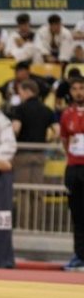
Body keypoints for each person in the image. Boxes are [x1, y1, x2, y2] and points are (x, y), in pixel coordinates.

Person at [12, 79, 58, 184]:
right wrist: (48, 142)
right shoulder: (47, 110)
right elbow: (57, 131)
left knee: (23, 188)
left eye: (20, 93)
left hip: (23, 152)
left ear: (27, 91)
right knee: (37, 188)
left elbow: (15, 129)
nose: (20, 96)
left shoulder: (20, 109)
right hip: (40, 152)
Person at [60, 77, 84, 271]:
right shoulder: (66, 114)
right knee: (77, 214)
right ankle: (79, 255)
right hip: (74, 168)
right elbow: (65, 141)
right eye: (75, 89)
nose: (78, 92)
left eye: (82, 88)